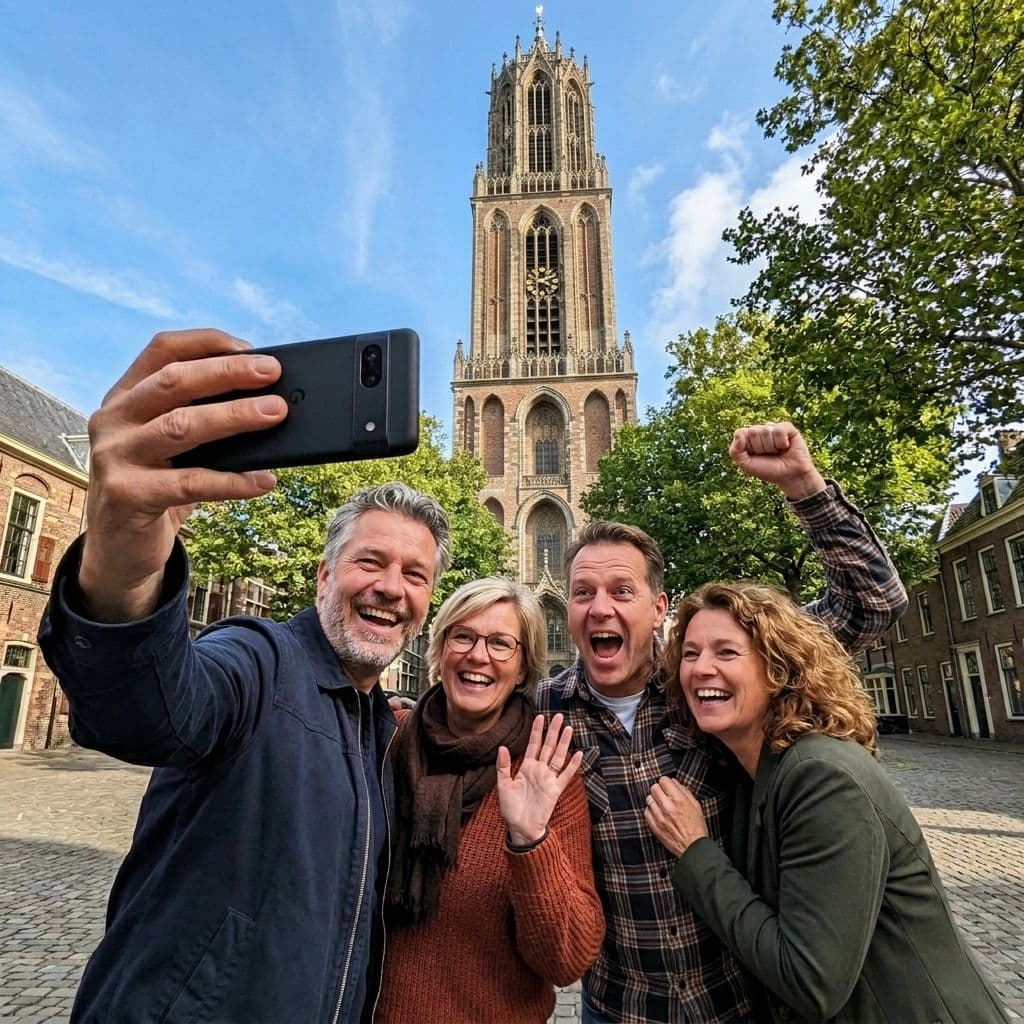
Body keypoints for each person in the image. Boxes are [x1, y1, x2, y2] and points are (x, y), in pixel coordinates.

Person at [37, 329, 450, 1023]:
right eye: (370, 562)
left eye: (415, 575)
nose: (391, 588)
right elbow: (147, 707)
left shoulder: (384, 733)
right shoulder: (257, 662)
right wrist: (125, 557)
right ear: (324, 576)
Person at [534, 422, 909, 1024]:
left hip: (739, 1001)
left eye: (622, 591)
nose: (600, 607)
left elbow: (873, 605)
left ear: (659, 608)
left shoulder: (711, 682)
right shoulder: (541, 713)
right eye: (583, 592)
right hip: (622, 1007)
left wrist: (805, 488)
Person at [647, 581, 1010, 1024]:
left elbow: (809, 981)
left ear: (777, 667)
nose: (702, 668)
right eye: (690, 653)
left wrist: (695, 851)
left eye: (726, 652)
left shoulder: (822, 776)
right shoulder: (751, 770)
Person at [376, 577, 604, 1023]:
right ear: (439, 649)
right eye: (462, 636)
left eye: (501, 643)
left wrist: (530, 840)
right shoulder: (385, 741)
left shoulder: (547, 774)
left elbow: (567, 961)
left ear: (523, 669)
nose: (478, 655)